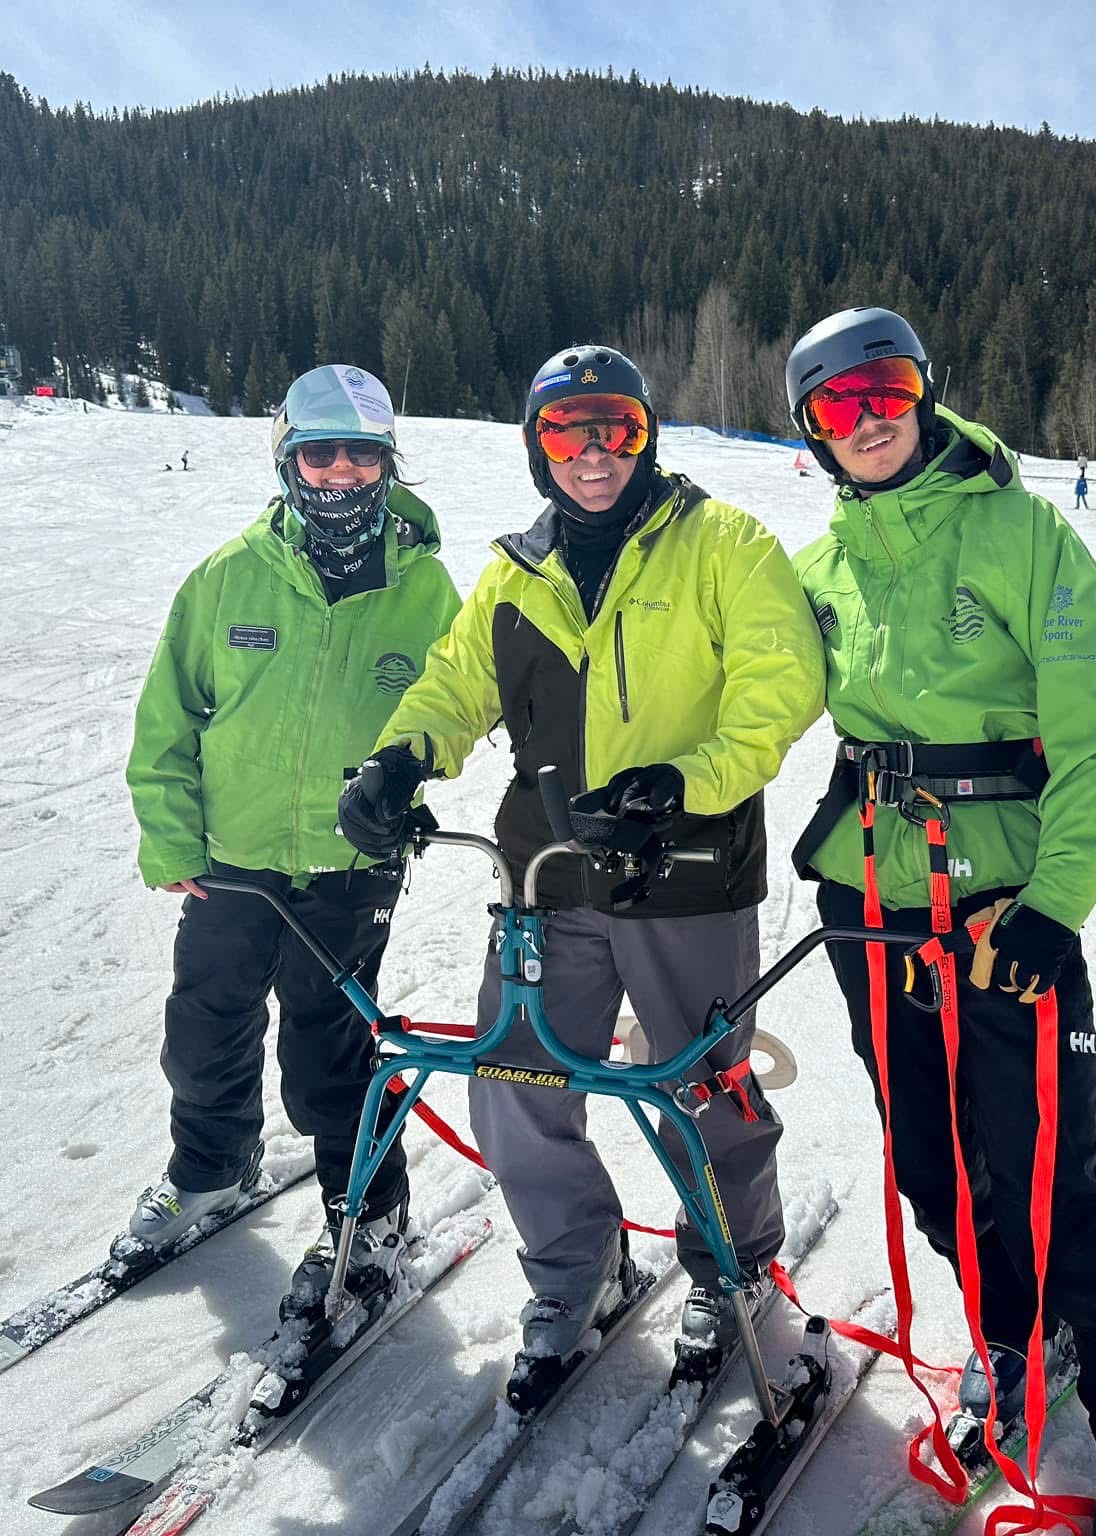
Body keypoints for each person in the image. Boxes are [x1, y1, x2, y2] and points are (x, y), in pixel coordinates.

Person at [337, 343, 823, 1411]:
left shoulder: (723, 545)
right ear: (536, 447)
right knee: (512, 1080)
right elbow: (453, 684)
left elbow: (779, 686)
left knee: (704, 1087)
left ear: (646, 436)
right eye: (566, 433)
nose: (593, 454)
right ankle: (577, 1269)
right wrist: (398, 759)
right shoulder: (515, 572)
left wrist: (685, 783)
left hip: (683, 865)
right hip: (546, 877)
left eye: (617, 429)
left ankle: (731, 1266)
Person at [783, 307, 1096, 1536]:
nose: (868, 418)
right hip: (873, 902)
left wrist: (1052, 907)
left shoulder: (1022, 533)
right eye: (837, 404)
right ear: (811, 430)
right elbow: (745, 691)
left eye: (885, 388)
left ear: (923, 391)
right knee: (930, 1164)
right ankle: (1020, 1336)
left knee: (1043, 1182)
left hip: (999, 907)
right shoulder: (817, 570)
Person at [124, 364, 461, 1315]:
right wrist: (172, 843)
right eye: (321, 454)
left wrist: (412, 781)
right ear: (288, 461)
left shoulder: (425, 590)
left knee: (331, 1055)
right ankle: (211, 1168)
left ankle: (373, 1214)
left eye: (363, 455)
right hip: (232, 861)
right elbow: (168, 721)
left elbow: (457, 711)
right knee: (205, 1028)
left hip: (350, 867)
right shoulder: (228, 578)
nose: (342, 472)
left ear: (388, 465)